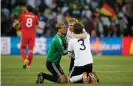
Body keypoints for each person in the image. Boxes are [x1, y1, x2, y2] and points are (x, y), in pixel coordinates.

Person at [13, 5, 43, 69]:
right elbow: (38, 26)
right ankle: (28, 66)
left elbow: (17, 22)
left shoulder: (23, 15)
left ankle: (25, 59)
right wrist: (42, 28)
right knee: (31, 51)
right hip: (32, 35)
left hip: (24, 35)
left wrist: (14, 24)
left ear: (26, 9)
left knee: (22, 48)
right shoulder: (35, 17)